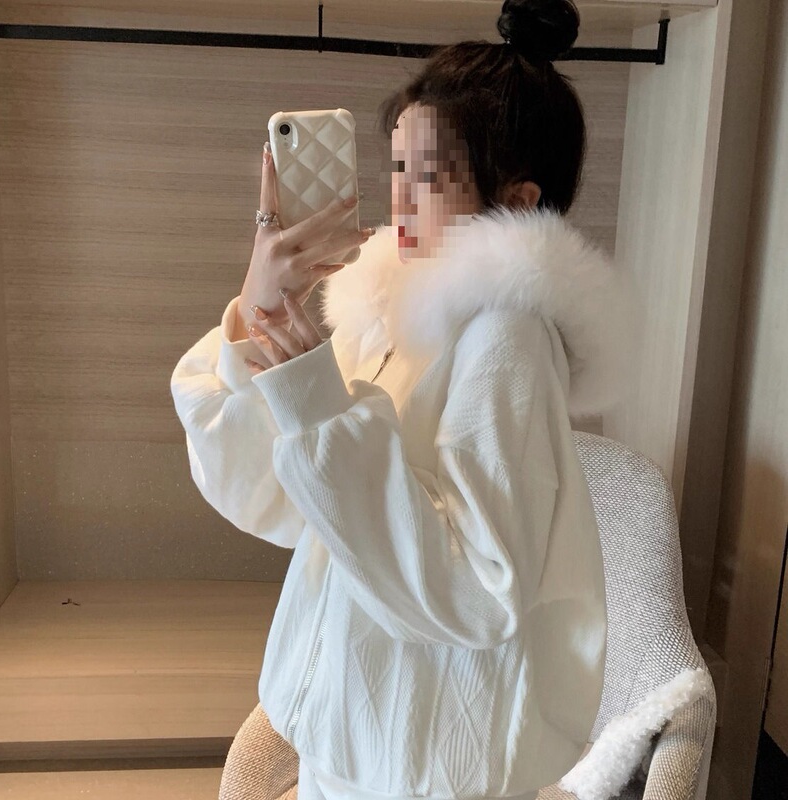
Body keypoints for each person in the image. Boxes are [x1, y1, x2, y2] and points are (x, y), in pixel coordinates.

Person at [170, 1, 643, 799]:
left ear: (517, 200)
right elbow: (275, 496)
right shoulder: (393, 311)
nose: (400, 198)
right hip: (358, 737)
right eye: (396, 168)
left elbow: (478, 588)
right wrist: (258, 310)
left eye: (428, 175)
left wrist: (320, 410)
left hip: (424, 763)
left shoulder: (507, 337)